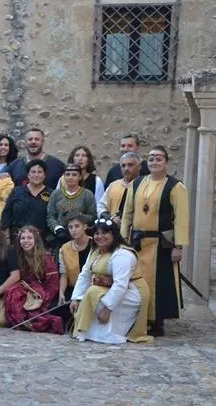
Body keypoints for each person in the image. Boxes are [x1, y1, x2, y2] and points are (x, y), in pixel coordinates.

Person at [119, 146, 189, 337]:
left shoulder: (175, 186)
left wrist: (178, 246)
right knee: (137, 280)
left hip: (162, 243)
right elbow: (127, 213)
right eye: (150, 159)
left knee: (159, 282)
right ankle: (138, 317)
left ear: (166, 162)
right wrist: (123, 237)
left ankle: (156, 321)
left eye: (158, 159)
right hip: (138, 242)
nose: (154, 162)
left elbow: (181, 218)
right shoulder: (137, 183)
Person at [71, 217, 151, 344]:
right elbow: (85, 274)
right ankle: (94, 332)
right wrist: (76, 297)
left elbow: (120, 285)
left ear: (113, 234)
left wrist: (107, 309)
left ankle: (110, 332)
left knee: (93, 292)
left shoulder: (122, 254)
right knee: (91, 292)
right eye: (97, 233)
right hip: (108, 288)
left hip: (131, 292)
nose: (100, 236)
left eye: (105, 233)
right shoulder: (95, 251)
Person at [4, 226, 63, 334]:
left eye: (29, 238)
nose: (26, 241)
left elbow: (53, 283)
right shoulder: (19, 256)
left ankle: (35, 322)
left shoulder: (46, 258)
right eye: (23, 238)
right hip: (27, 289)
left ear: (36, 240)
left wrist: (43, 300)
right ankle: (21, 322)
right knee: (12, 292)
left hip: (43, 292)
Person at [1, 159, 52, 246]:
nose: (36, 175)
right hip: (18, 239)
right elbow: (6, 214)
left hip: (42, 241)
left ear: (44, 175)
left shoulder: (51, 194)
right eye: (33, 172)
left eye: (40, 172)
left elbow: (53, 217)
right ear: (28, 175)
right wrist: (6, 237)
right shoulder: (17, 192)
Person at [47, 164, 97, 249]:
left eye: (74, 175)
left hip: (81, 237)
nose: (70, 177)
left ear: (80, 177)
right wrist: (58, 228)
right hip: (60, 237)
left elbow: (93, 216)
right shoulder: (56, 194)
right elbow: (50, 216)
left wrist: (78, 215)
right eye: (67, 174)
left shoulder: (87, 194)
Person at [57, 214, 92, 323]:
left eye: (77, 226)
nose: (74, 230)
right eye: (70, 227)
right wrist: (61, 293)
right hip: (73, 289)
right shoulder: (65, 248)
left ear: (84, 227)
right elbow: (64, 274)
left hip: (91, 288)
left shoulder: (95, 244)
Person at [98, 152, 141, 225]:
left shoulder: (145, 186)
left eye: (130, 165)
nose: (126, 168)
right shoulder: (113, 186)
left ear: (139, 166)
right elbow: (101, 207)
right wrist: (111, 218)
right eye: (123, 166)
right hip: (115, 231)